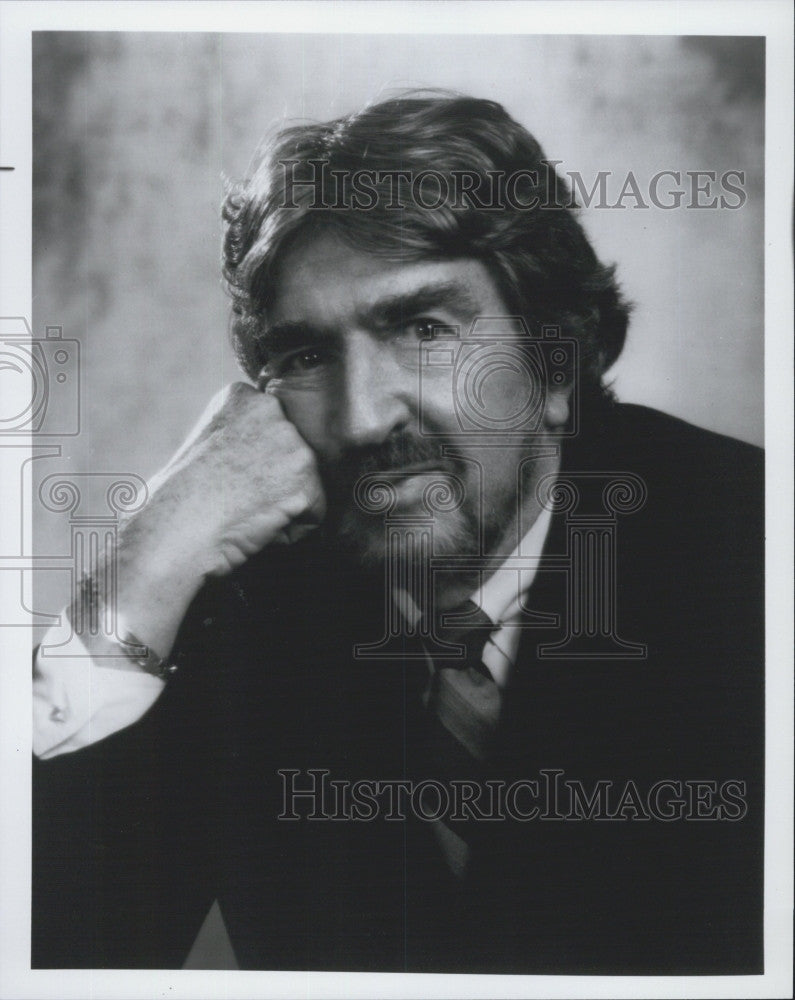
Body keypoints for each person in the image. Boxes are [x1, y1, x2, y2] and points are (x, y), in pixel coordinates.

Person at [32, 93, 764, 974]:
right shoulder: (236, 599)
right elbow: (49, 960)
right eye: (304, 357)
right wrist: (140, 564)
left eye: (422, 329)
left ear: (556, 361)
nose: (362, 416)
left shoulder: (752, 555)